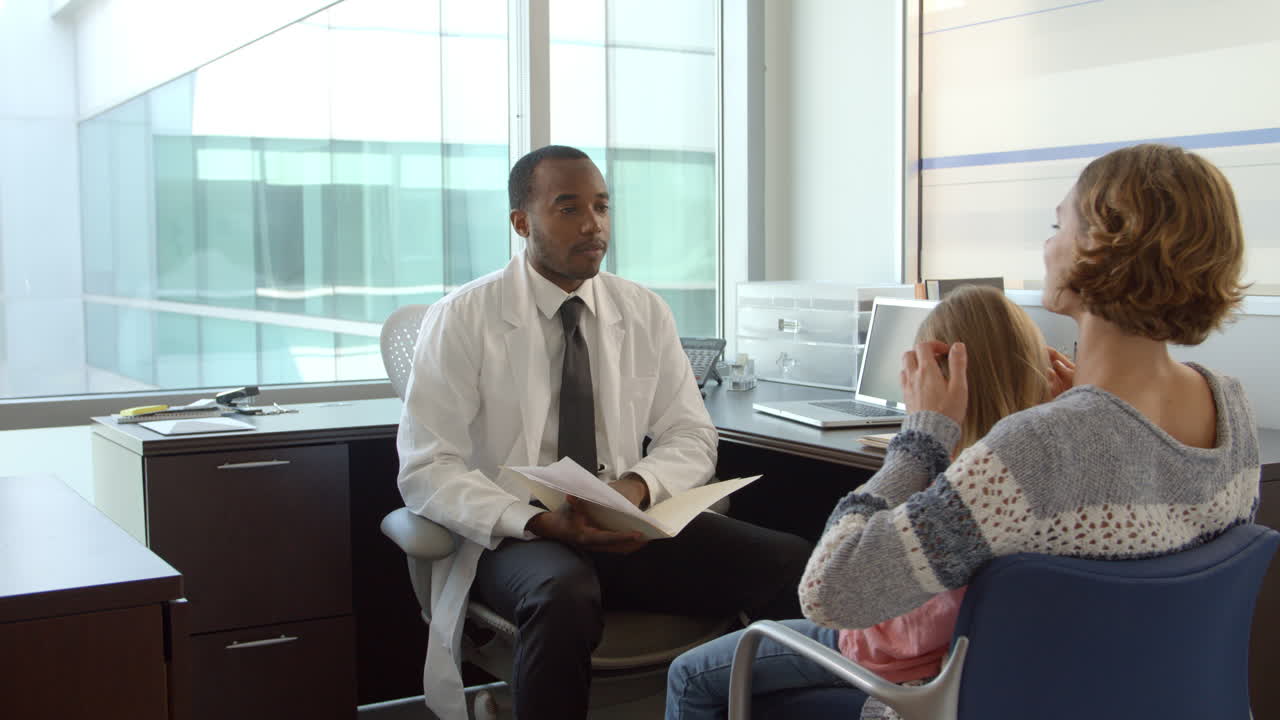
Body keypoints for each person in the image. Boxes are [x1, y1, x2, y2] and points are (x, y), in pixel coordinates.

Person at [666, 143, 1261, 720]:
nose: (1048, 247)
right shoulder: (1231, 410)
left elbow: (830, 592)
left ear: (1104, 246)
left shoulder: (1038, 448)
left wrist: (922, 437)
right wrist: (1081, 410)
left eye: (1058, 227)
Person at [396, 144, 811, 720]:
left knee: (795, 564)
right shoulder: (463, 318)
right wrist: (540, 520)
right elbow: (427, 469)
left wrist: (636, 490)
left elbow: (691, 434)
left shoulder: (643, 310)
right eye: (568, 208)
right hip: (516, 534)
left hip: (622, 525)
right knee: (561, 593)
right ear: (522, 222)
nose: (593, 226)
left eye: (602, 206)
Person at [666, 284, 1060, 718]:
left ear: (938, 374)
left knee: (689, 675)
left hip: (899, 667)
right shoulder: (1056, 473)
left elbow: (837, 600)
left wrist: (918, 441)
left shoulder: (954, 492)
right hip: (999, 682)